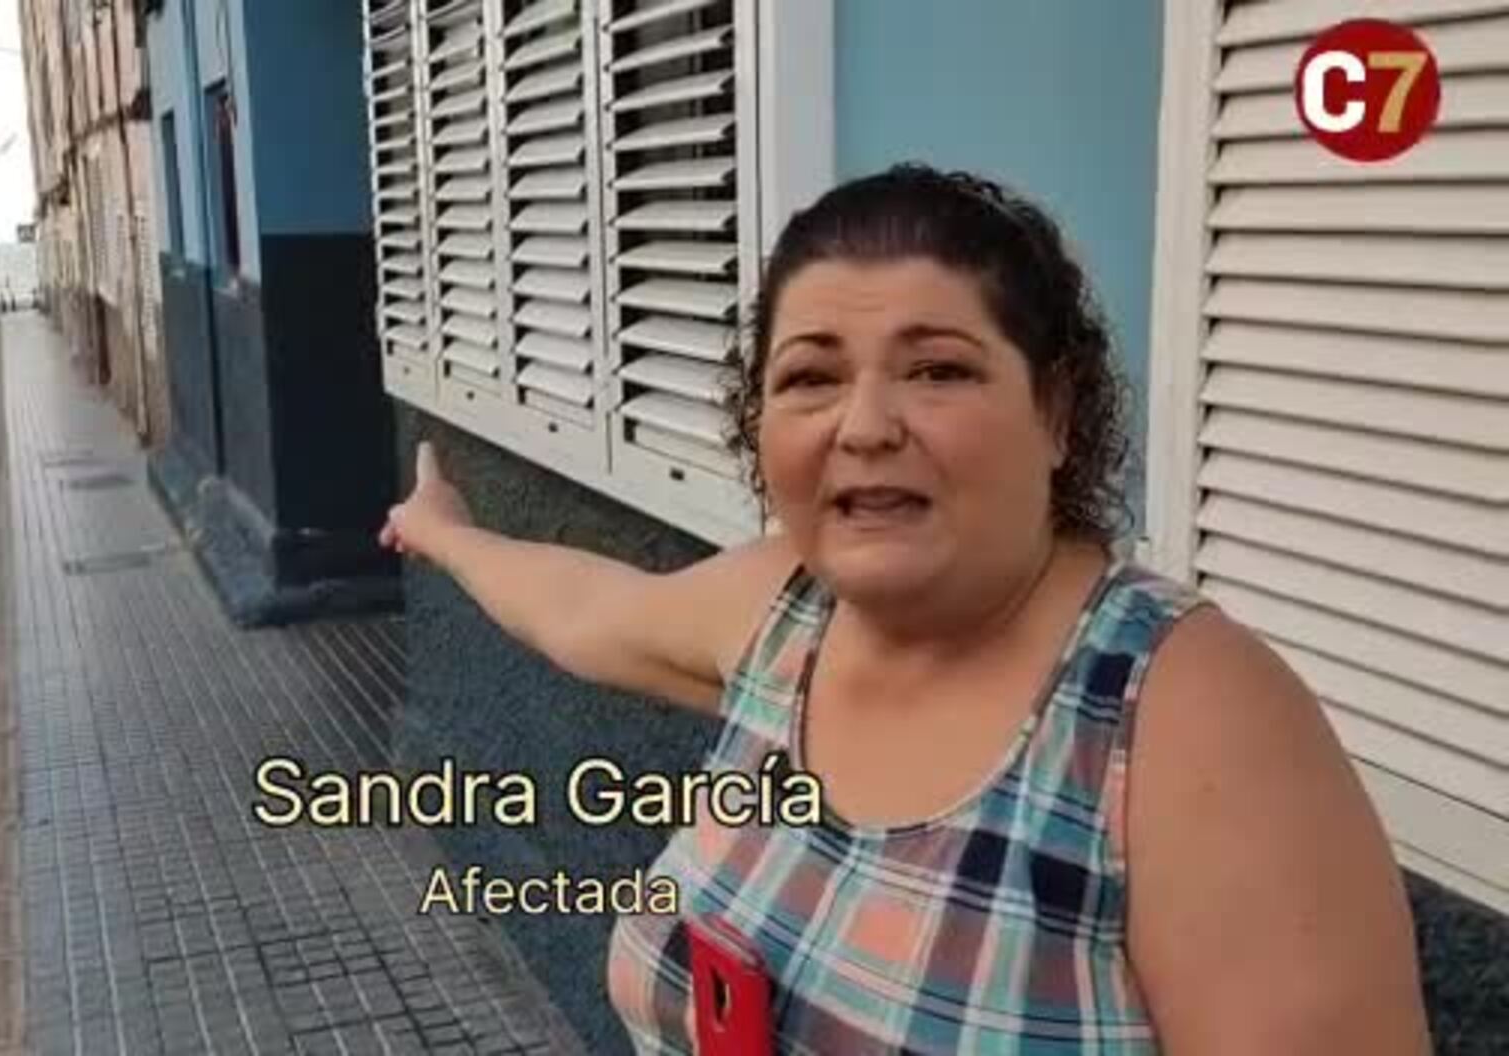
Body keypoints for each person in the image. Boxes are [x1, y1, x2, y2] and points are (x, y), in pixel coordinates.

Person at [379, 164, 1430, 1054]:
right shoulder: (783, 613)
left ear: (1056, 412)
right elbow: (584, 611)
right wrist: (447, 532)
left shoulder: (1189, 713)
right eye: (811, 378)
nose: (867, 425)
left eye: (937, 370)